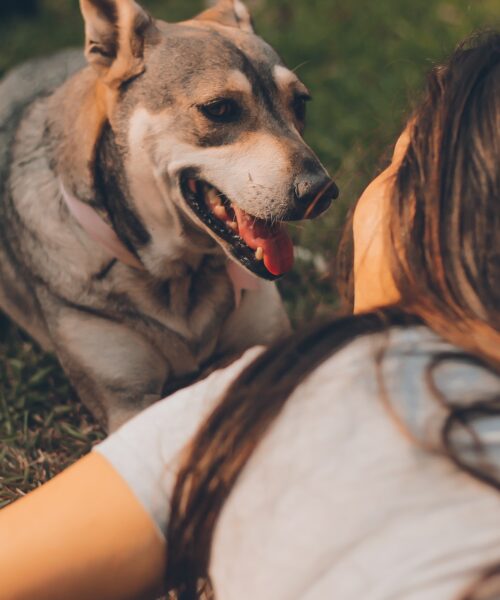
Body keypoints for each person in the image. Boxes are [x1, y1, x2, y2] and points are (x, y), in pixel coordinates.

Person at [1, 31, 499, 600]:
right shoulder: (255, 402)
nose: (320, 188)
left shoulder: (241, 411)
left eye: (399, 166)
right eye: (220, 110)